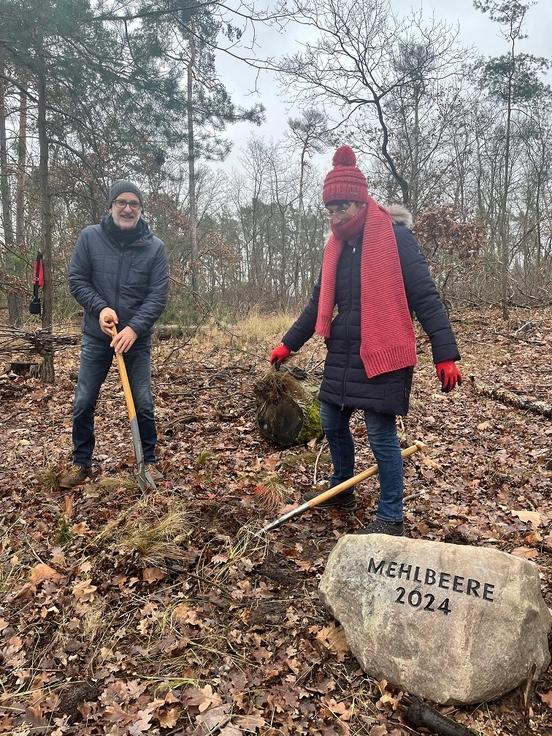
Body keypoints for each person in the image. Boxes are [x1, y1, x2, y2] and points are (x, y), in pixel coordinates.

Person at [269, 146, 461, 536]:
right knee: (331, 421)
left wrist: (445, 353)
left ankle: (391, 516)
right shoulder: (334, 248)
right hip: (343, 351)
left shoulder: (396, 238)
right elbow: (315, 304)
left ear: (360, 202)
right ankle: (343, 487)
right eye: (330, 209)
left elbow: (425, 296)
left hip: (384, 351)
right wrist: (288, 344)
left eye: (342, 207)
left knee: (379, 434)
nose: (335, 216)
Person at [59, 180, 169, 489]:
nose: (128, 208)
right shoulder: (90, 238)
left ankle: (147, 461)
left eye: (134, 203)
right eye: (122, 202)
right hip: (98, 336)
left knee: (143, 402)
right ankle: (81, 462)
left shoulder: (155, 247)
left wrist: (134, 328)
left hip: (137, 339)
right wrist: (101, 309)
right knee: (83, 400)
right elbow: (78, 279)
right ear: (111, 206)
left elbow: (157, 297)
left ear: (141, 209)